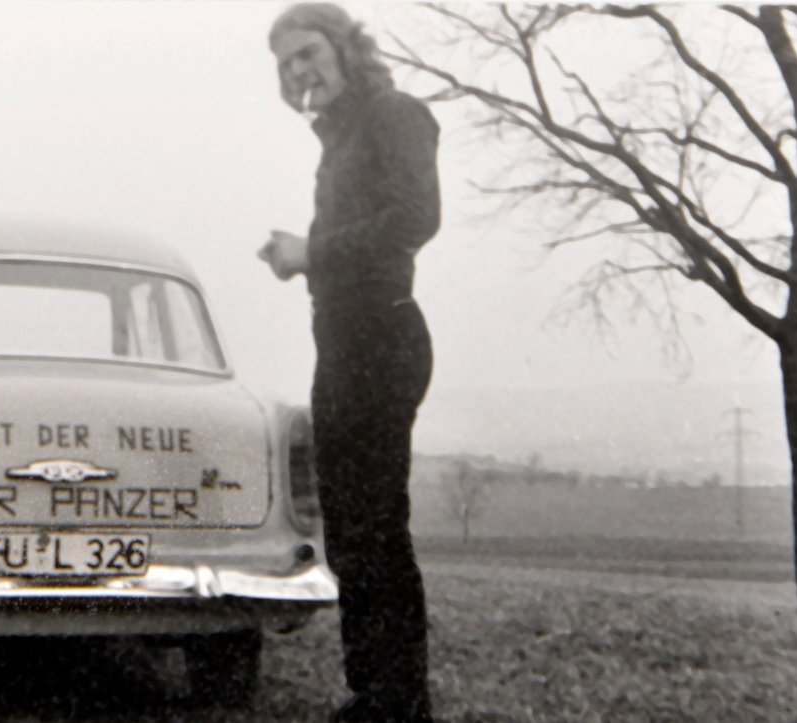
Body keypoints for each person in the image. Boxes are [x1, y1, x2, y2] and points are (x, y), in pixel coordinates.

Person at [259, 4, 440, 721]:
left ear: (344, 47)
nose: (300, 71)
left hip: (382, 340)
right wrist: (302, 260)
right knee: (352, 526)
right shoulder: (337, 139)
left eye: (307, 52)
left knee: (375, 526)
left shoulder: (395, 113)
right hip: (343, 340)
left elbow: (416, 217)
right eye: (286, 64)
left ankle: (396, 701)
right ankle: (377, 693)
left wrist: (313, 253)